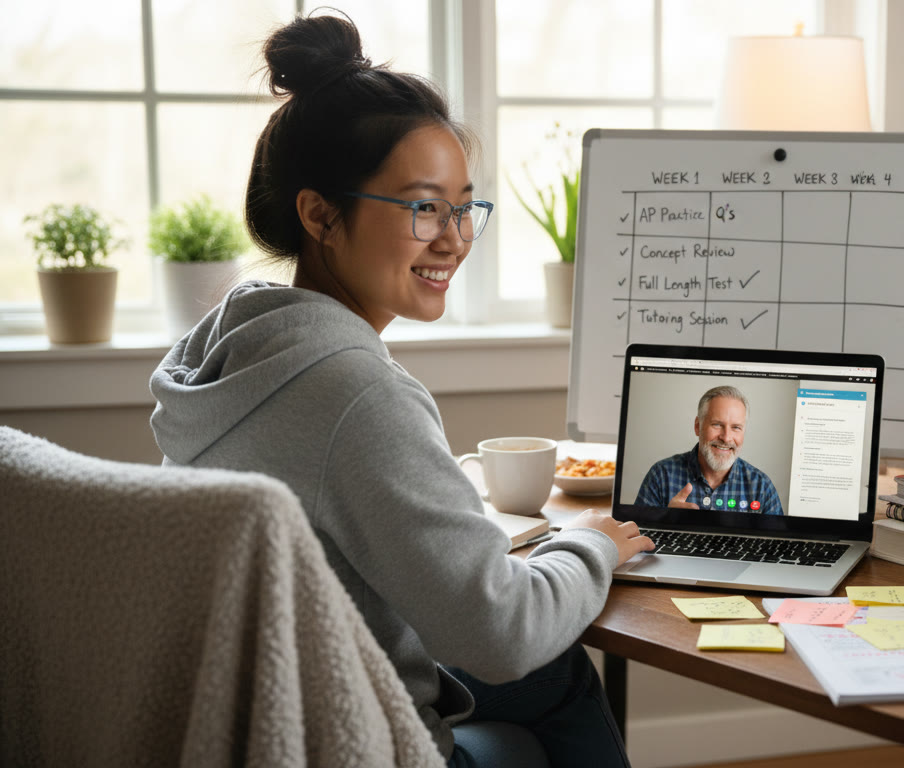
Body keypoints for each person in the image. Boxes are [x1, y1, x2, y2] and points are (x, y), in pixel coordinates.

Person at [147, 13, 652, 768]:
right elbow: (501, 630)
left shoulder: (233, 350)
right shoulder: (356, 393)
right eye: (422, 207)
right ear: (320, 213)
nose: (454, 239)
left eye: (463, 206)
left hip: (265, 712)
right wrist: (593, 547)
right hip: (358, 740)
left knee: (549, 673)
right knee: (552, 673)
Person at [635, 385, 784, 515]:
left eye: (736, 427)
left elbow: (779, 544)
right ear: (697, 426)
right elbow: (635, 540)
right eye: (717, 425)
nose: (726, 438)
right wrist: (663, 521)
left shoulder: (761, 487)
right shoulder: (661, 476)